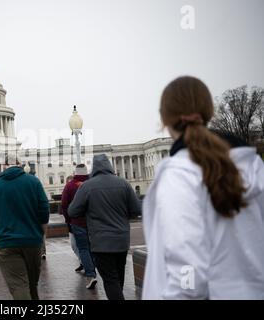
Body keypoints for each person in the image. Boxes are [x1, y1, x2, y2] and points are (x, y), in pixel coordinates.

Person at [142, 76, 264, 299]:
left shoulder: (179, 175)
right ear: (209, 113)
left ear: (164, 119)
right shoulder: (254, 166)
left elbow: (187, 273)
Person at [69, 154, 141, 300]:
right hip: (121, 240)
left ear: (94, 168)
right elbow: (137, 210)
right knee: (118, 278)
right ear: (109, 165)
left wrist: (88, 211)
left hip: (100, 242)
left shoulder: (87, 186)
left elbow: (72, 211)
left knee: (110, 280)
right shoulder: (123, 183)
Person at [0, 154, 50, 300]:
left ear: (4, 166)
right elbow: (44, 209)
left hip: (7, 243)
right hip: (32, 241)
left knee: (19, 286)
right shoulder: (33, 182)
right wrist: (42, 233)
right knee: (32, 285)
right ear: (20, 165)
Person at [61, 165, 97, 289]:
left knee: (83, 249)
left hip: (77, 222)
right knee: (93, 247)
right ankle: (94, 268)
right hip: (93, 222)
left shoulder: (70, 186)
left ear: (75, 172)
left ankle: (91, 274)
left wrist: (68, 221)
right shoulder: (93, 184)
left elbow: (64, 205)